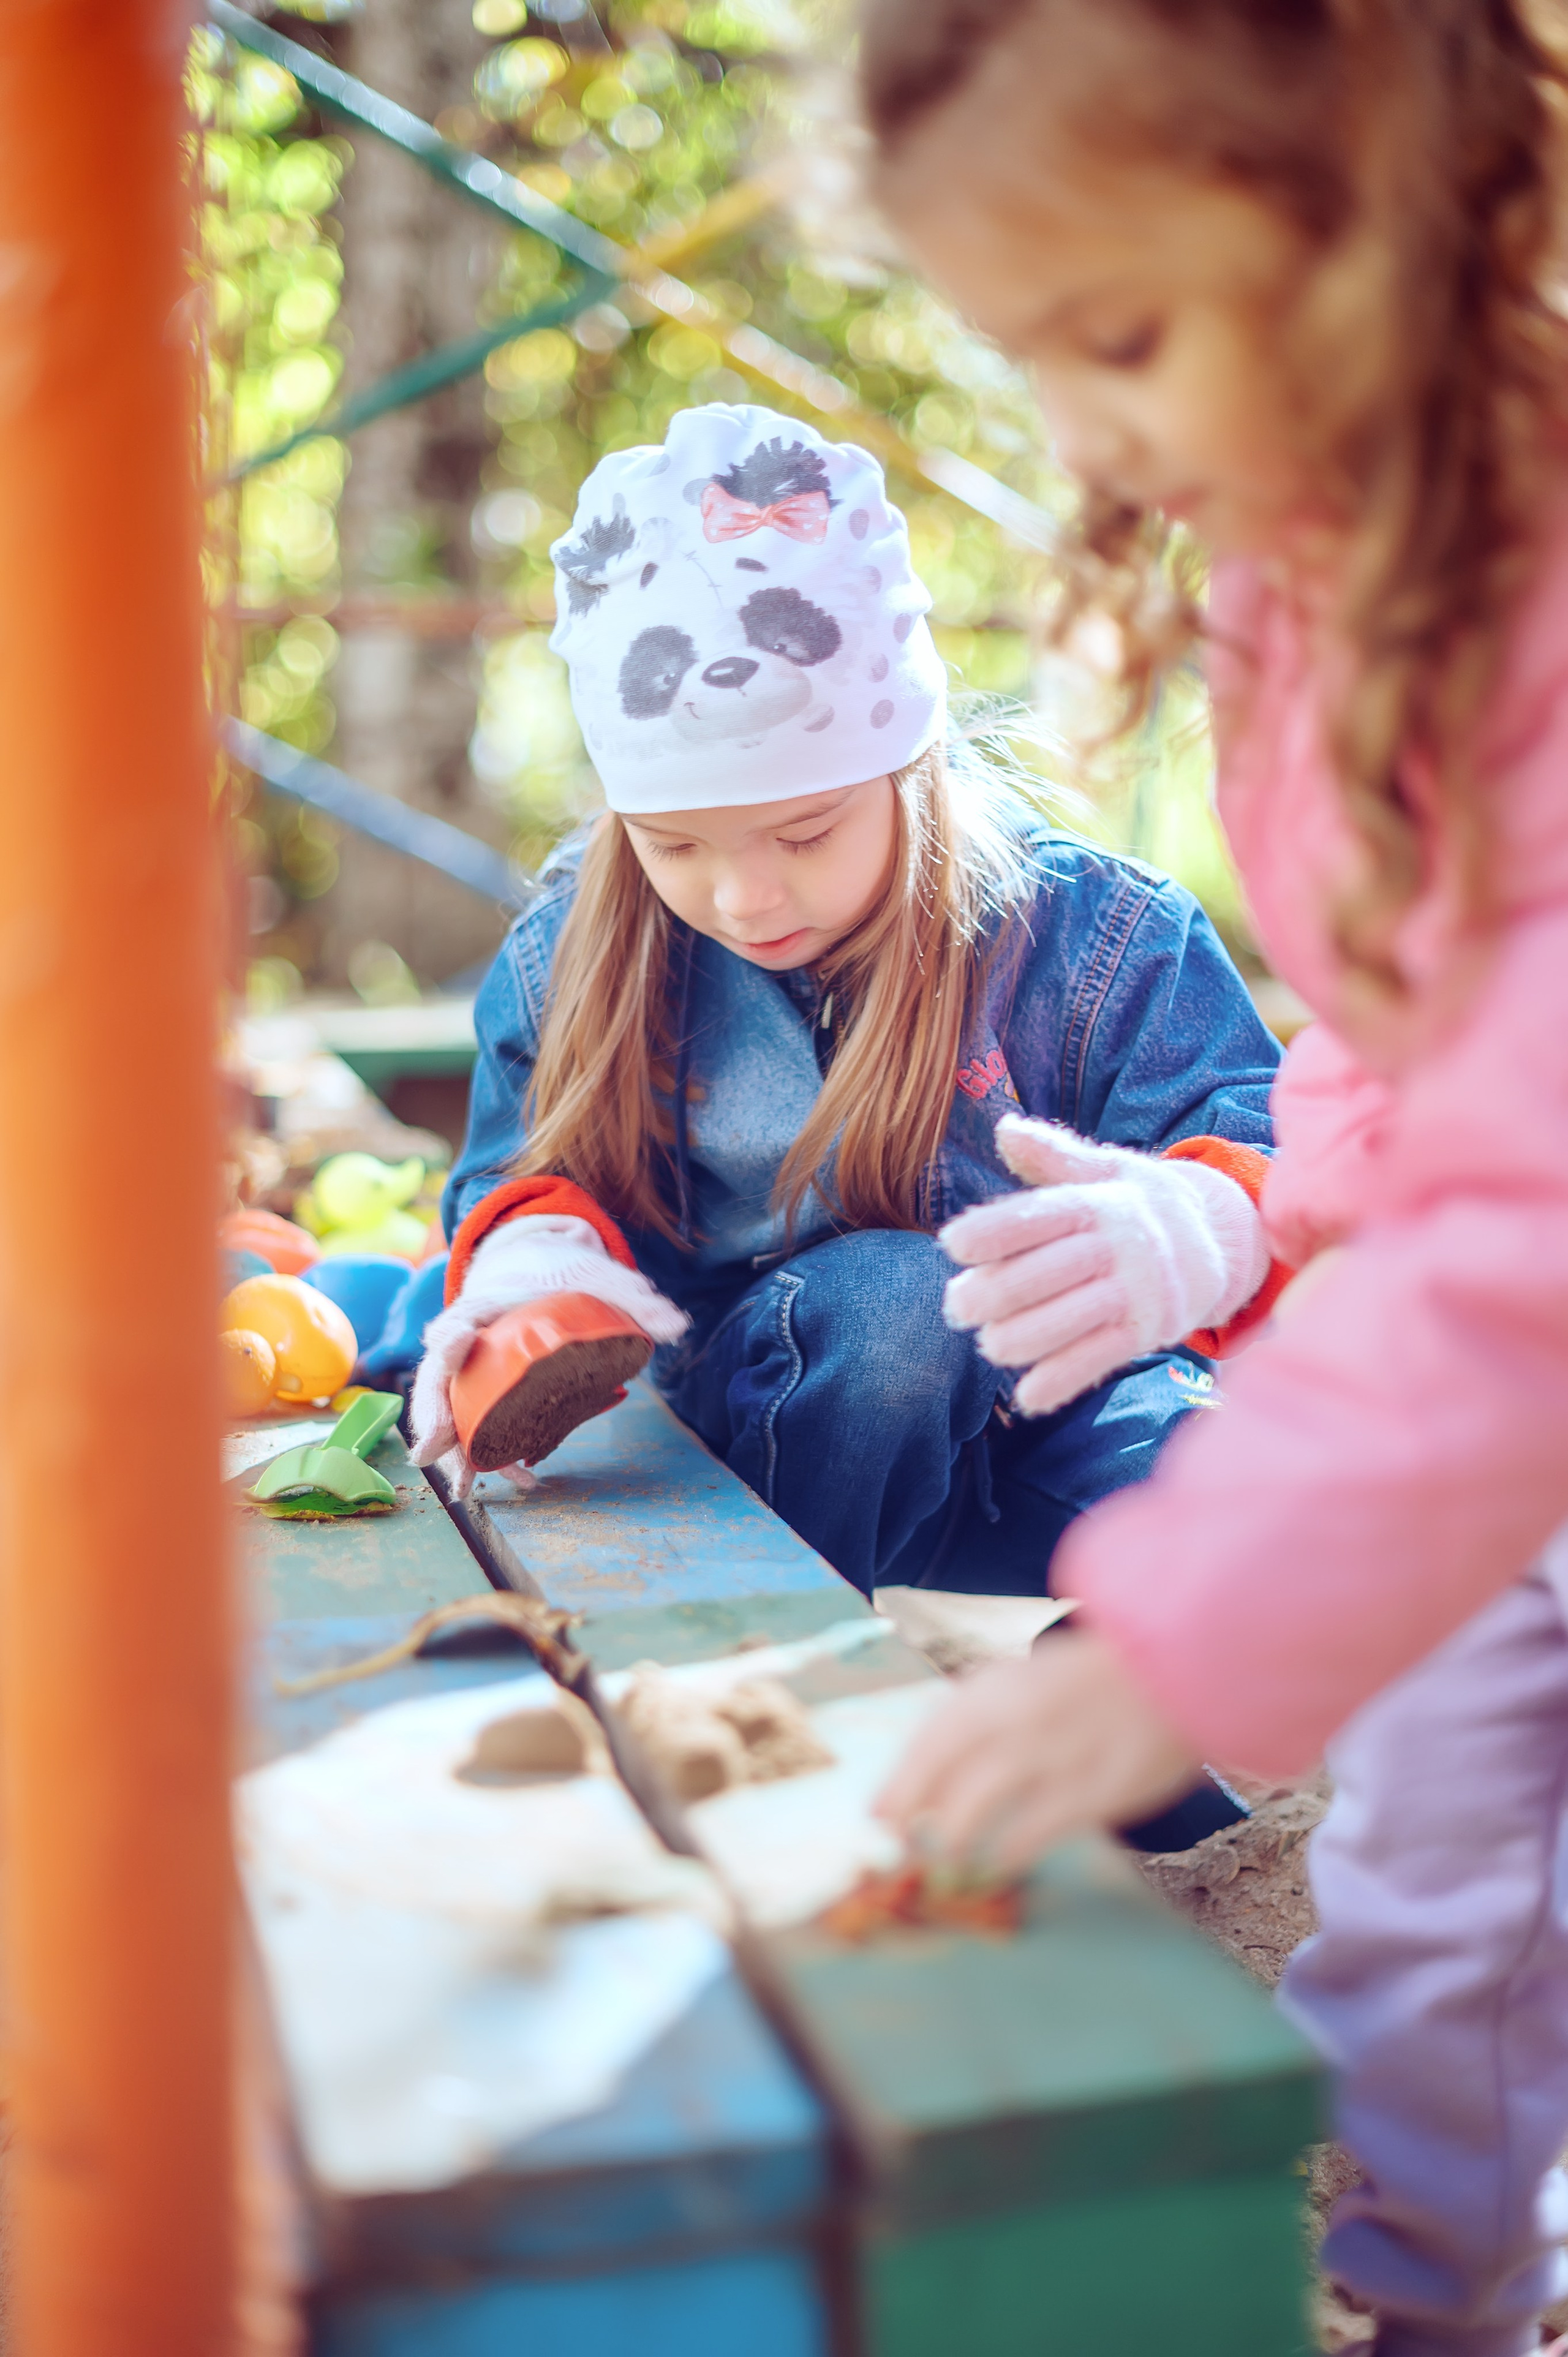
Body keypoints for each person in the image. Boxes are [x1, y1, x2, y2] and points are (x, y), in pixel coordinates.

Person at [856, 4, 1568, 2351]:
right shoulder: (1306, 558)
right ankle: (1434, 2299)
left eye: (1122, 336)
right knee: (1426, 1868)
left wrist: (1177, 1642)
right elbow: (1414, 1010)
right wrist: (1274, 1206)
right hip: (1477, 1397)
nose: (1081, 438)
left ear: (1358, 212)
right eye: (1031, 360)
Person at [413, 402, 1281, 1640]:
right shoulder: (575, 955)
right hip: (764, 1432)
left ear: (904, 767)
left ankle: (1112, 1714)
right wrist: (535, 1266)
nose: (745, 895)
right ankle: (769, 1652)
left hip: (1053, 1422)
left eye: (807, 833)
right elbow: (518, 1172)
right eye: (676, 845)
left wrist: (1197, 1221)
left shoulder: (1096, 937)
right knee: (893, 1305)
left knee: (1272, 1489)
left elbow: (1269, 1149)